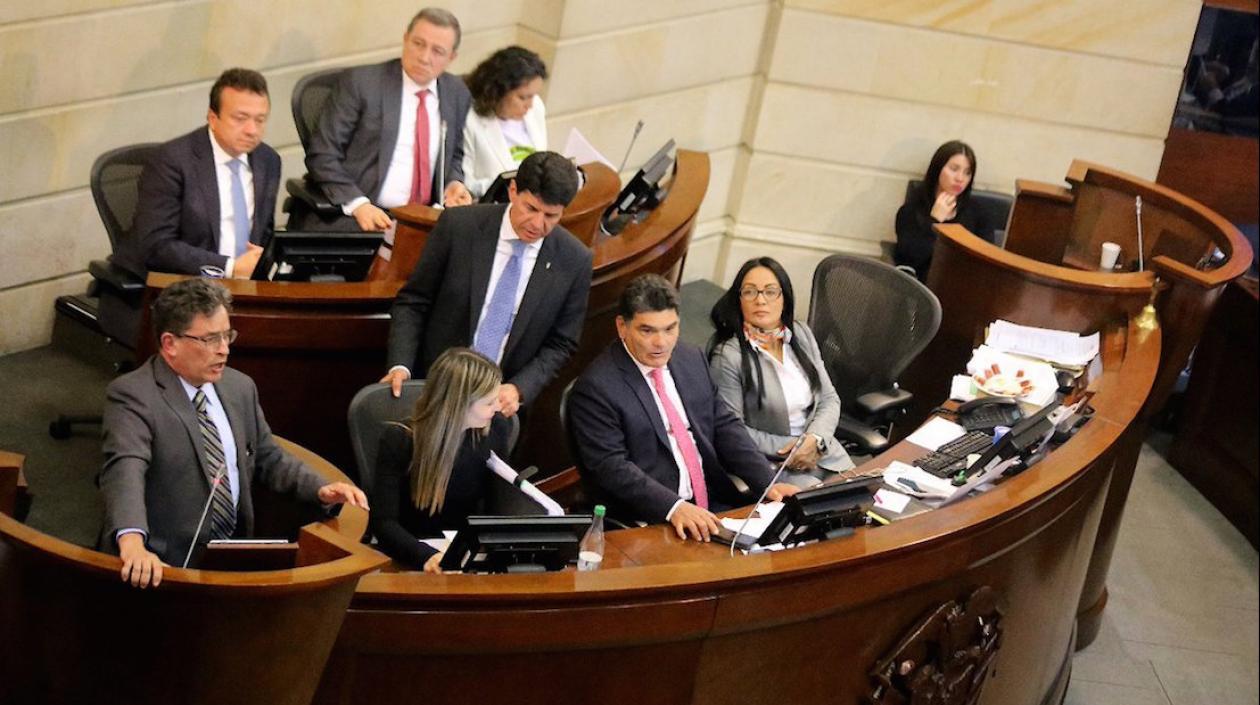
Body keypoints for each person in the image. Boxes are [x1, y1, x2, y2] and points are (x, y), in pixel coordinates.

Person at [99, 278, 369, 589]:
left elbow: (268, 455)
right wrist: (132, 542)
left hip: (232, 559)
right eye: (210, 339)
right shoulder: (133, 396)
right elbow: (124, 470)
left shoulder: (239, 387)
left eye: (227, 335)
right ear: (170, 344)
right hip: (163, 567)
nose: (224, 350)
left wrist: (320, 489)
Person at [567, 274, 800, 541]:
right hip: (651, 519)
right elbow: (612, 467)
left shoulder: (690, 358)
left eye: (670, 329)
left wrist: (767, 482)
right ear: (622, 326)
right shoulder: (596, 388)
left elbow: (723, 425)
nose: (661, 342)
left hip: (713, 504)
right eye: (647, 331)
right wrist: (674, 507)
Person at [381, 150, 592, 419]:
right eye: (531, 209)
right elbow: (413, 302)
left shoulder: (574, 260)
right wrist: (401, 365)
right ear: (513, 191)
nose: (537, 224)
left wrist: (519, 388)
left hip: (499, 409)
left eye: (551, 216)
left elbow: (562, 343)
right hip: (432, 389)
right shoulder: (459, 227)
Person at [303, 7, 474, 232]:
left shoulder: (456, 92)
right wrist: (358, 204)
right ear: (405, 39)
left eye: (437, 51)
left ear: (451, 58)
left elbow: (454, 155)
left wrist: (453, 183)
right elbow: (322, 155)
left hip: (426, 220)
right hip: (361, 214)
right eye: (418, 44)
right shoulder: (362, 84)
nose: (424, 57)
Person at [118, 68, 279, 280]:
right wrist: (230, 267)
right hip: (186, 284)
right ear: (213, 118)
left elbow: (265, 233)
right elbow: (157, 246)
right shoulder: (171, 161)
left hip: (248, 285)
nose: (252, 130)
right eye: (240, 118)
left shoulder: (268, 161)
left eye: (260, 120)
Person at [707, 258, 854, 481]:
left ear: (784, 298)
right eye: (750, 292)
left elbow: (828, 398)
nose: (760, 300)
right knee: (827, 501)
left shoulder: (801, 334)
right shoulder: (728, 356)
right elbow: (731, 430)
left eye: (770, 292)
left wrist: (815, 439)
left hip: (823, 452)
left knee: (870, 493)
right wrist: (795, 447)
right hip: (776, 464)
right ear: (739, 301)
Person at [370, 348, 511, 573]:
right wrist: (425, 556)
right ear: (459, 404)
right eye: (489, 403)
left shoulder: (496, 430)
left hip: (466, 557)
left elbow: (498, 511)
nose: (497, 407)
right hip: (412, 556)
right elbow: (384, 523)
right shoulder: (400, 439)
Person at [460, 46, 549, 200]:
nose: (530, 105)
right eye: (523, 97)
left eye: (533, 96)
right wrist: (510, 186)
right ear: (498, 91)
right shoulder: (469, 120)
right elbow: (464, 184)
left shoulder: (536, 108)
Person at [894, 140, 990, 281]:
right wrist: (934, 220)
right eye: (954, 169)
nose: (960, 178)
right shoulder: (911, 210)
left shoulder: (978, 212)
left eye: (967, 173)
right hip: (923, 286)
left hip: (964, 284)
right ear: (937, 169)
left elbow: (987, 259)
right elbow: (909, 259)